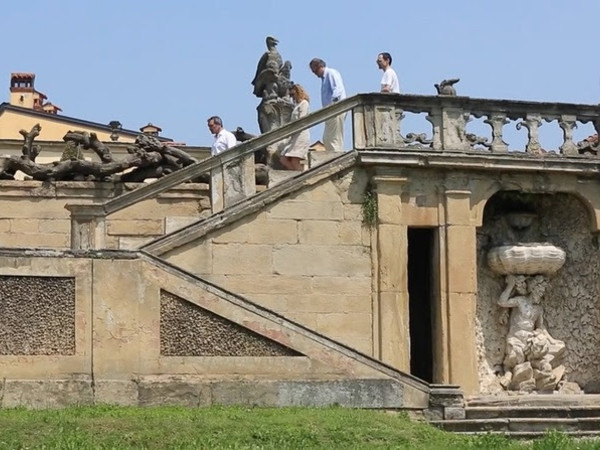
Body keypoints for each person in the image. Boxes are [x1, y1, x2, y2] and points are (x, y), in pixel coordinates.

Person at [309, 58, 346, 152]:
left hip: (335, 109)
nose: (314, 73)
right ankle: (334, 156)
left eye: (314, 70)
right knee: (327, 138)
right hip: (330, 111)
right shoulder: (324, 78)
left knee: (334, 138)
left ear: (320, 66)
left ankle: (336, 157)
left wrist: (333, 104)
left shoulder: (331, 73)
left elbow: (338, 89)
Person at [280, 84, 310, 171]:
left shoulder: (304, 104)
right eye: (290, 95)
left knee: (295, 159)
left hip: (301, 134)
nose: (292, 97)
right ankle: (298, 174)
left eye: (293, 95)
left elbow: (302, 119)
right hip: (295, 135)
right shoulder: (297, 105)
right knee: (283, 159)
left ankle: (301, 176)